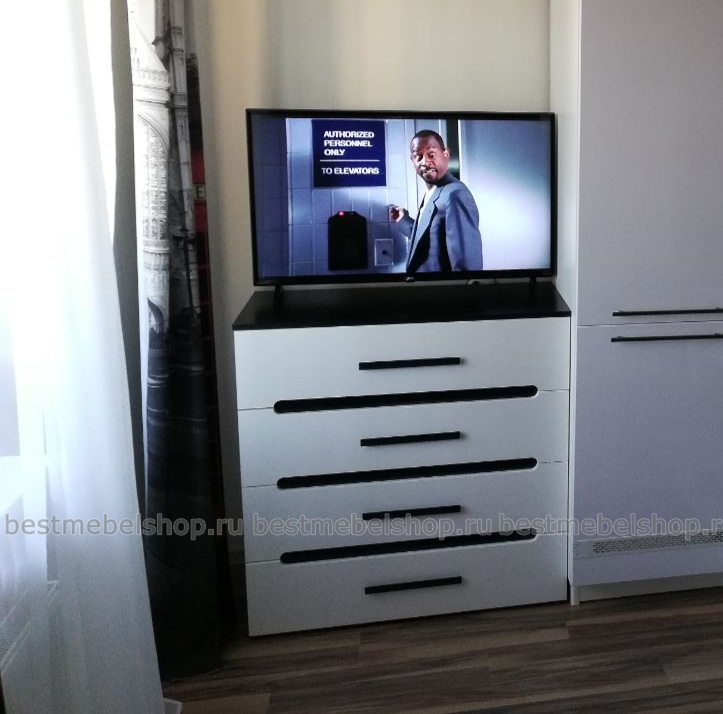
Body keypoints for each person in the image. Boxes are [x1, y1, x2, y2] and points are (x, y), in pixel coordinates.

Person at [389, 130, 483, 274]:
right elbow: (431, 238)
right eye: (418, 157)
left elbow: (466, 267)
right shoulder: (434, 191)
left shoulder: (455, 195)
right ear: (412, 160)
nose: (425, 162)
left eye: (431, 154)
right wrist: (403, 220)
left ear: (446, 154)